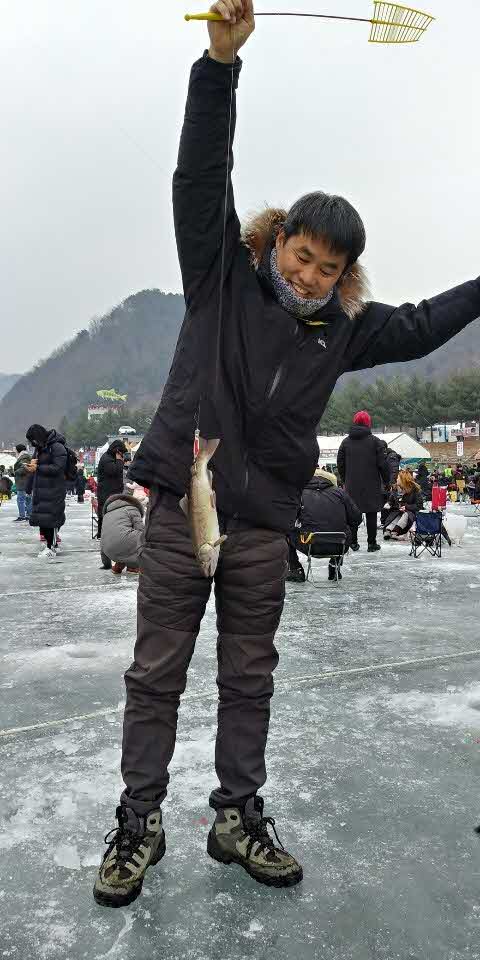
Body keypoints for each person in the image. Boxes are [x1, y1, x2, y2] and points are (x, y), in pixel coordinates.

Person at [93, 0, 480, 907]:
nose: (309, 276)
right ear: (280, 243)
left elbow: (425, 324)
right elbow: (200, 174)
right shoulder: (220, 276)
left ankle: (237, 815)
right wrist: (220, 66)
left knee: (249, 678)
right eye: (302, 256)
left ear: (345, 276)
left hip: (266, 523)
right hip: (184, 510)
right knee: (155, 675)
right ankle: (139, 819)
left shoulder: (344, 331)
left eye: (328, 269)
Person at [288, 468, 362, 582]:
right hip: (339, 544)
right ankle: (334, 565)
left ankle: (295, 569)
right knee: (344, 529)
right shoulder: (340, 493)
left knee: (284, 531)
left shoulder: (299, 494)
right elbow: (356, 518)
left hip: (310, 544)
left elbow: (287, 519)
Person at [337, 411, 390, 553]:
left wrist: (345, 479)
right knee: (371, 513)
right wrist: (387, 481)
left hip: (352, 484)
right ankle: (372, 543)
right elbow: (383, 464)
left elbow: (340, 463)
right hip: (371, 484)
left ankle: (353, 542)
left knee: (353, 514)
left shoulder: (345, 442)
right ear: (368, 423)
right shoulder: (375, 442)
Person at [25, 424, 67, 560]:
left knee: (52, 519)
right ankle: (50, 545)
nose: (32, 443)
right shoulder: (40, 449)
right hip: (42, 490)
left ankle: (51, 547)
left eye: (33, 440)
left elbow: (58, 468)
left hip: (54, 489)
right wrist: (28, 486)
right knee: (44, 520)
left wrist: (38, 467)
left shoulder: (56, 447)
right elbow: (35, 469)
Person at [100, 485, 147, 575]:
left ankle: (119, 565)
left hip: (109, 550)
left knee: (123, 538)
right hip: (125, 544)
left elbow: (103, 539)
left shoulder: (107, 515)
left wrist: (106, 563)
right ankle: (133, 566)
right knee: (147, 536)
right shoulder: (132, 508)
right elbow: (141, 530)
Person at [96, 440, 127, 565]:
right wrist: (119, 461)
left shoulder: (109, 458)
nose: (122, 455)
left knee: (108, 516)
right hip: (107, 494)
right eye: (121, 452)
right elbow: (114, 471)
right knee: (106, 517)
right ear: (117, 450)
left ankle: (105, 535)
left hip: (111, 493)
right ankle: (103, 535)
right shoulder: (107, 459)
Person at [383, 470, 423, 539]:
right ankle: (388, 530)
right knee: (396, 515)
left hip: (411, 513)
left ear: (403, 480)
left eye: (398, 478)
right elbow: (391, 500)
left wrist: (406, 507)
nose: (397, 479)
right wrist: (389, 504)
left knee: (406, 515)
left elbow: (419, 506)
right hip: (398, 511)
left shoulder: (415, 490)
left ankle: (395, 531)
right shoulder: (395, 488)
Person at [13, 444, 32, 521]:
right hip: (25, 481)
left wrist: (15, 472)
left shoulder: (24, 457)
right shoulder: (25, 456)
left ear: (19, 450)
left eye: (15, 450)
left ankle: (22, 516)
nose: (15, 451)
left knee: (21, 499)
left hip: (23, 481)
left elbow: (24, 468)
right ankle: (28, 515)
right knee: (27, 499)